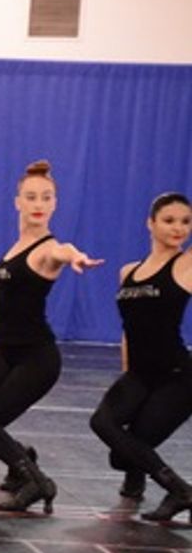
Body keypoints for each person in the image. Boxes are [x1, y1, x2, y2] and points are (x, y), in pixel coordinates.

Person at [0, 160, 101, 512]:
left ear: (54, 204)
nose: (38, 204)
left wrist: (75, 256)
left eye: (46, 197)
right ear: (17, 201)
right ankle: (24, 462)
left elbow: (63, 251)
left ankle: (37, 481)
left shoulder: (49, 249)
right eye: (30, 197)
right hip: (5, 352)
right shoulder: (14, 248)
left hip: (37, 359)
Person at [89, 193, 192, 523]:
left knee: (132, 448)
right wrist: (127, 375)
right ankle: (140, 477)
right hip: (138, 374)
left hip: (177, 377)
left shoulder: (186, 265)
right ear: (151, 223)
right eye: (170, 220)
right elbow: (128, 330)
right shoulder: (128, 272)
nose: (178, 228)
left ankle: (178, 490)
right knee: (104, 426)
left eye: (186, 222)